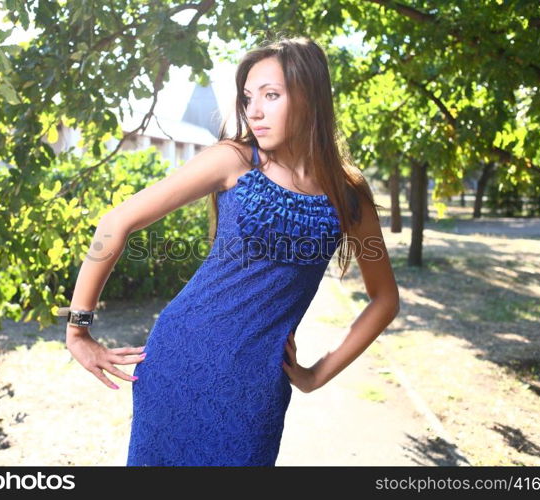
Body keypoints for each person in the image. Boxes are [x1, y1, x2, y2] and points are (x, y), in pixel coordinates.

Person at [65, 35, 400, 466]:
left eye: (271, 95)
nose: (254, 110)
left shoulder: (348, 194)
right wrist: (78, 331)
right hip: (177, 363)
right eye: (248, 97)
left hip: (255, 389)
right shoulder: (234, 160)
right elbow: (116, 223)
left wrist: (318, 374)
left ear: (311, 97)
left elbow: (385, 299)